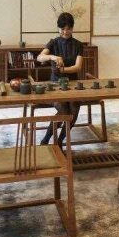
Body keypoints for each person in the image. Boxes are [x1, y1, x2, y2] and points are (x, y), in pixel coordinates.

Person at [36, 12, 83, 145]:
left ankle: (59, 141)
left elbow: (78, 67)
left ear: (72, 28)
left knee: (74, 109)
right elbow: (39, 58)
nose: (65, 32)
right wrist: (53, 57)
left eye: (68, 28)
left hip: (72, 84)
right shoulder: (53, 43)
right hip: (55, 85)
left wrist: (62, 70)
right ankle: (45, 140)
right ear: (58, 28)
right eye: (62, 29)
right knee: (64, 110)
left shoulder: (78, 45)